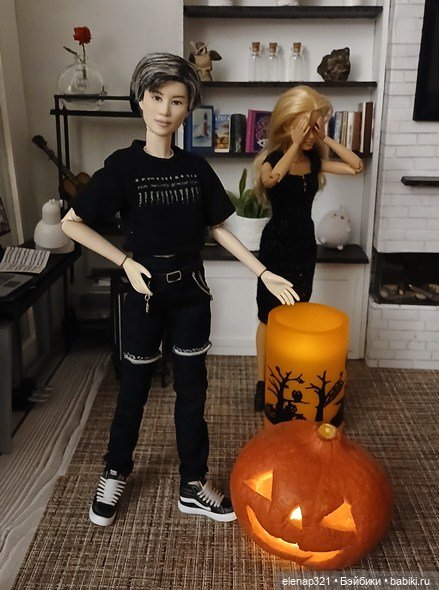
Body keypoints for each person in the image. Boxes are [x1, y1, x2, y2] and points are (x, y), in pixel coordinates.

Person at [61, 52, 299, 527]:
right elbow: (72, 223)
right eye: (156, 97)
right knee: (133, 389)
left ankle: (193, 484)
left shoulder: (195, 168)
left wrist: (262, 272)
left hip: (190, 291)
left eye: (176, 100)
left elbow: (219, 228)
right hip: (143, 290)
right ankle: (114, 471)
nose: (164, 110)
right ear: (140, 99)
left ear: (189, 108)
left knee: (193, 391)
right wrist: (124, 262)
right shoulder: (123, 167)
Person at [253, 85, 364, 412]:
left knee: (297, 311)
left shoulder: (315, 162)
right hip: (276, 245)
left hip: (304, 244)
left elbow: (356, 166)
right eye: (306, 125)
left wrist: (325, 138)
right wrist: (294, 143)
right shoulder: (272, 160)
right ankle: (262, 382)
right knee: (268, 316)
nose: (310, 134)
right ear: (288, 124)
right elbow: (272, 179)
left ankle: (287, 372)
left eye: (316, 126)